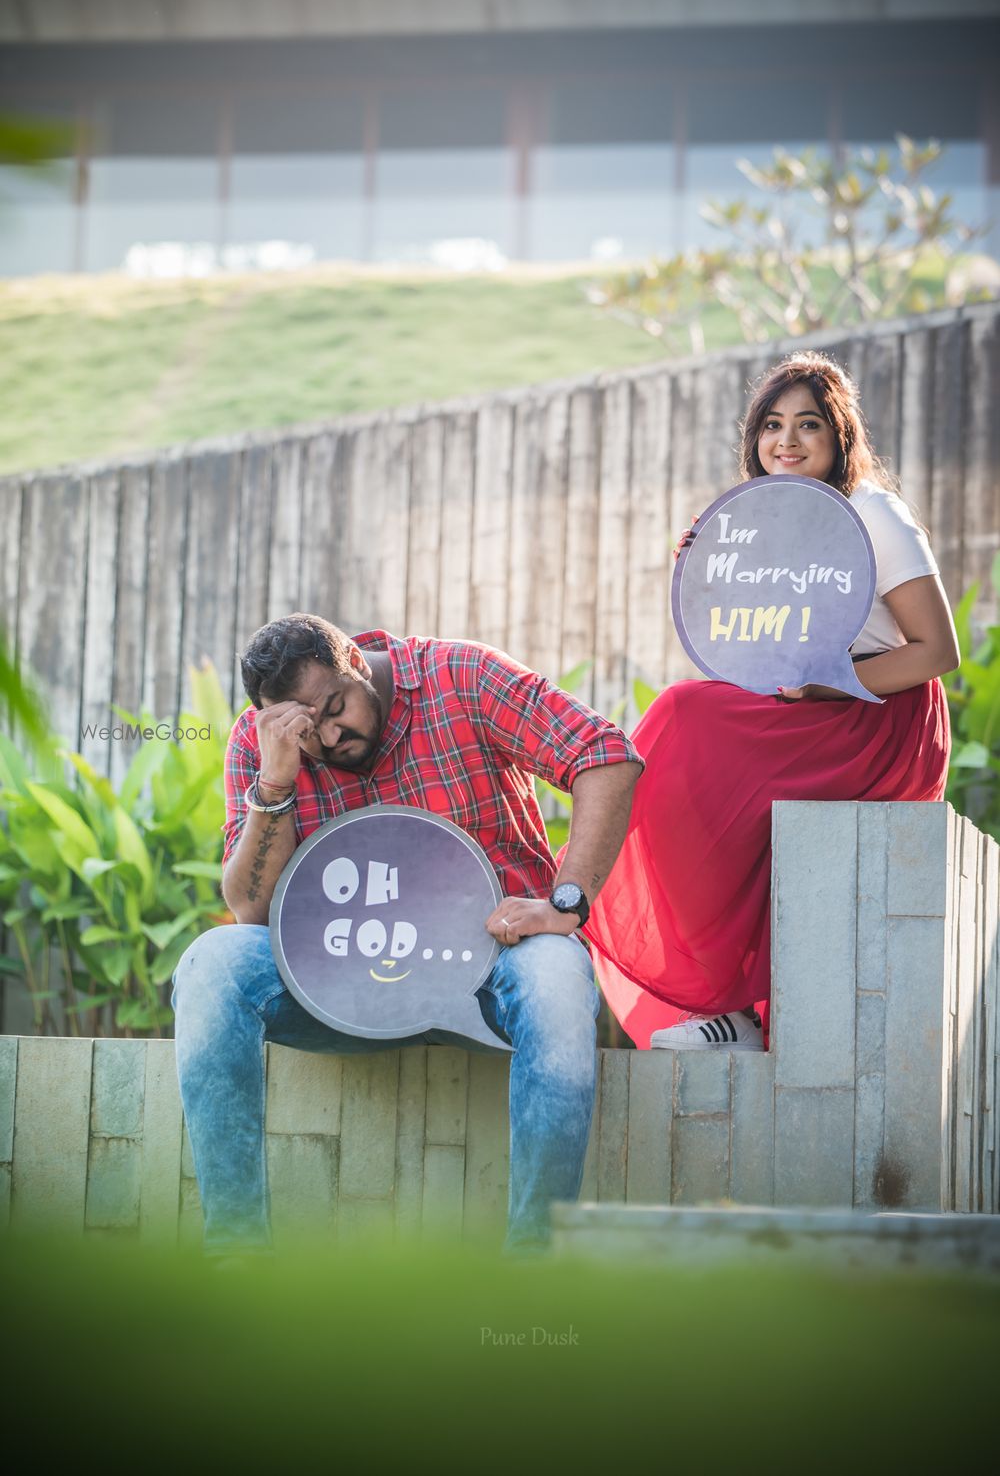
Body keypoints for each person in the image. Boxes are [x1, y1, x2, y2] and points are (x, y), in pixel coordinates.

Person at [172, 614, 643, 1255]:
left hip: (494, 957)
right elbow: (251, 909)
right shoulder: (263, 745)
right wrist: (277, 779)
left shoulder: (461, 677)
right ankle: (235, 1262)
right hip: (338, 979)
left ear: (359, 663)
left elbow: (605, 753)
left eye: (337, 707)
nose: (331, 735)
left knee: (559, 979)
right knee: (213, 963)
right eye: (310, 728)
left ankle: (537, 1268)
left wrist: (567, 902)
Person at [585, 352, 959, 1052]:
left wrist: (831, 682)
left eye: (808, 424)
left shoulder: (874, 512)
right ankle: (731, 1006)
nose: (786, 440)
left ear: (839, 435)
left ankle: (733, 1007)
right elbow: (752, 652)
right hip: (803, 707)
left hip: (878, 713)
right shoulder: (753, 521)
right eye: (772, 425)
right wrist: (705, 570)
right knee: (676, 729)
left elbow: (937, 653)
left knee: (683, 719)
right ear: (753, 438)